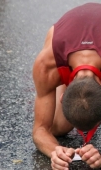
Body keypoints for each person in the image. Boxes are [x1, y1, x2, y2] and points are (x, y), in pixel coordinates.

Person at [32, 3, 101, 170]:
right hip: (62, 37)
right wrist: (55, 151)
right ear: (62, 97)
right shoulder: (46, 65)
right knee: (58, 128)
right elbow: (40, 129)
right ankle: (69, 85)